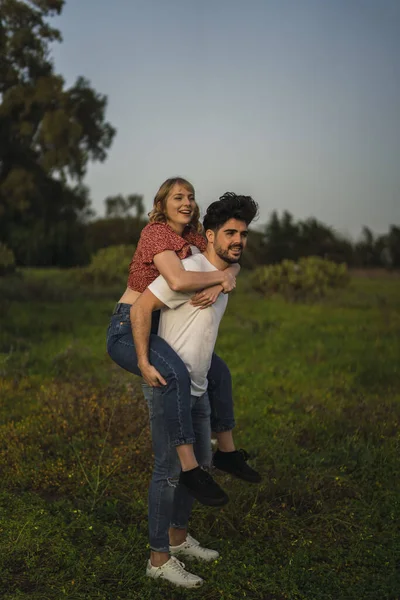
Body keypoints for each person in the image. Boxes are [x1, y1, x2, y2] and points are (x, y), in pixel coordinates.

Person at [130, 192, 260, 588]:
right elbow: (140, 308)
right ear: (209, 235)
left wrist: (225, 281)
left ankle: (178, 538)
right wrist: (144, 362)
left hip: (199, 387)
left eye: (243, 233)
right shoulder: (189, 266)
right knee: (168, 472)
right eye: (230, 233)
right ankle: (158, 559)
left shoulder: (221, 274)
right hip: (169, 385)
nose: (238, 240)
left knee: (200, 465)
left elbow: (226, 272)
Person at [107, 178, 261, 507]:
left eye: (190, 196)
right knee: (175, 373)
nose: (187, 201)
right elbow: (177, 279)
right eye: (178, 196)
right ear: (161, 204)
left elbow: (228, 259)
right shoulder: (156, 233)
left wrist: (223, 280)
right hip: (128, 322)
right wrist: (221, 278)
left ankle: (228, 452)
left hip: (157, 322)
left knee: (219, 372)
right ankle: (190, 468)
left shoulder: (192, 236)